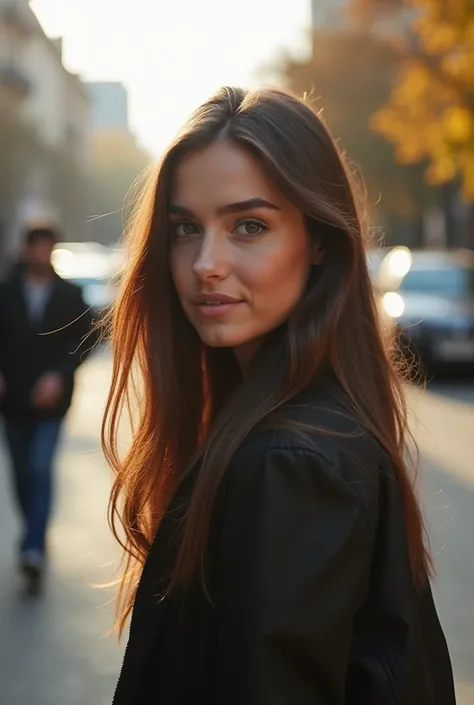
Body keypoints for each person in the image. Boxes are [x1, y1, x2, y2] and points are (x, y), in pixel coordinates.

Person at [105, 87, 456, 704]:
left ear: (319, 240)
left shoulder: (288, 462)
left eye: (249, 226)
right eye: (186, 229)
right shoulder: (302, 428)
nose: (205, 263)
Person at [0, 226, 94, 590]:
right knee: (22, 475)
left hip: (52, 404)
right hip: (12, 403)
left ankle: (34, 549)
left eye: (46, 247)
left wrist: (59, 375)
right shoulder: (5, 293)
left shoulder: (70, 295)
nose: (41, 253)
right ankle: (33, 535)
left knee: (40, 468)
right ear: (25, 250)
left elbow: (87, 339)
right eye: (35, 247)